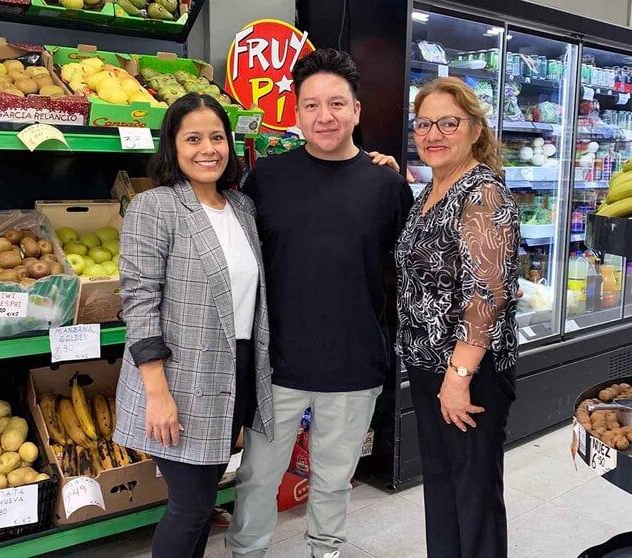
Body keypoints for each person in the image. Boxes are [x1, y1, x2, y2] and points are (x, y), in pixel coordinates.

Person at [225, 48, 413, 558]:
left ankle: (325, 550)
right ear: (295, 111)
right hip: (277, 362)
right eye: (311, 105)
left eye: (336, 104)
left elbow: (409, 273)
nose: (324, 116)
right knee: (258, 476)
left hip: (355, 360)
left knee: (334, 478)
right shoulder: (266, 180)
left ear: (356, 109)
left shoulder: (388, 185)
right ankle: (248, 552)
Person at [113, 92, 275, 558]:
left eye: (217, 137)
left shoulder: (242, 207)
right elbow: (139, 301)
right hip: (178, 380)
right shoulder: (156, 207)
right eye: (193, 138)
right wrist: (157, 393)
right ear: (173, 147)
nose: (208, 149)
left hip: (233, 374)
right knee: (191, 503)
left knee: (205, 505)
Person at [395, 76, 520, 558]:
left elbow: (488, 293)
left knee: (473, 493)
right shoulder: (430, 191)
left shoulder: (482, 192)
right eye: (423, 123)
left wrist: (459, 375)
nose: (433, 133)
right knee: (444, 485)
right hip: (431, 365)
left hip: (470, 371)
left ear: (475, 129)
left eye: (449, 122)